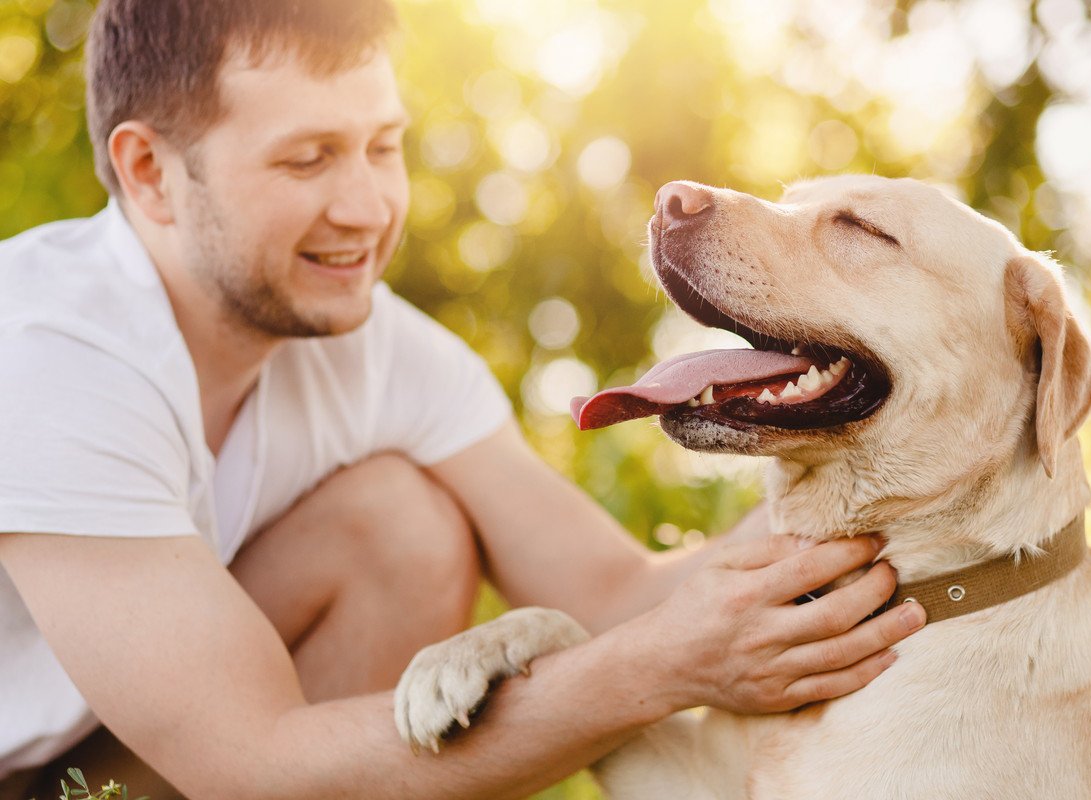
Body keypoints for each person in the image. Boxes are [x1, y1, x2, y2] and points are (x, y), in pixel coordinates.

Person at [0, 1, 926, 798]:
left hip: (97, 761)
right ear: (150, 173)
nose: (367, 207)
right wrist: (662, 668)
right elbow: (249, 761)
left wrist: (912, 442)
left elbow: (610, 593)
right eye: (307, 159)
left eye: (382, 145)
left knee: (398, 528)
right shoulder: (47, 350)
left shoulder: (376, 346)